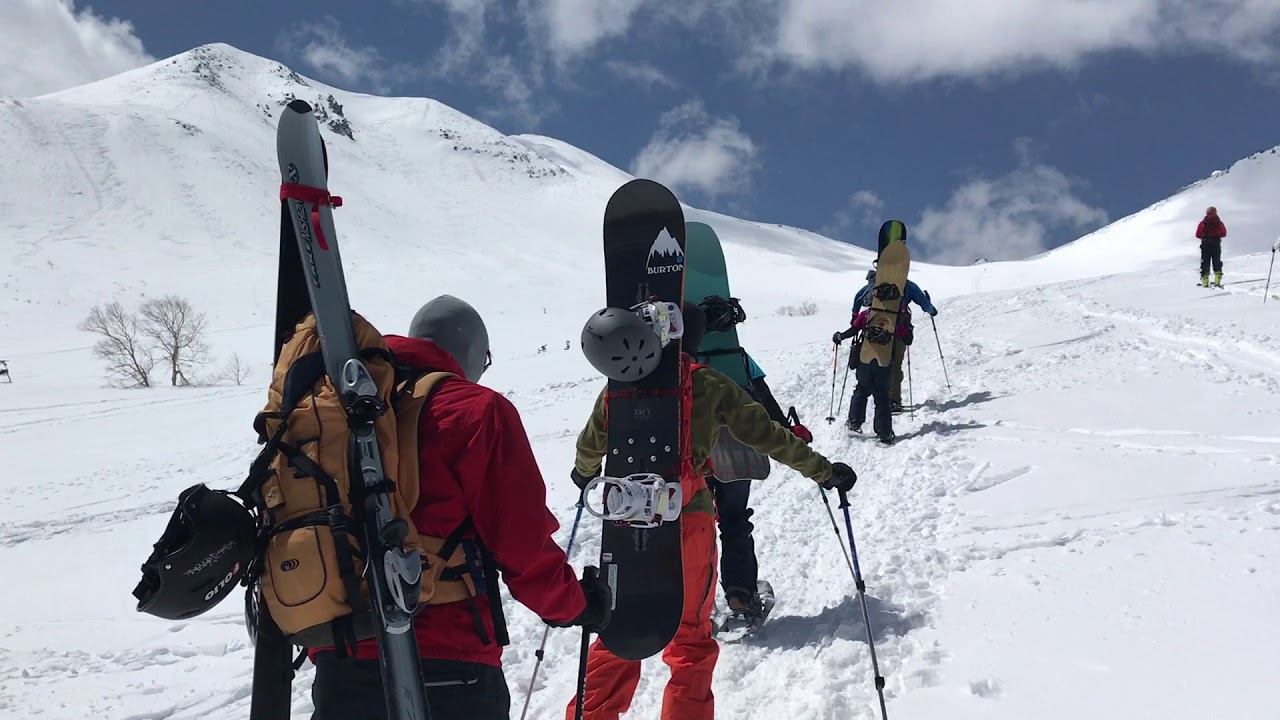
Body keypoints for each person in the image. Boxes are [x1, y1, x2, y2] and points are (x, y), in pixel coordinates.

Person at [309, 295, 613, 720]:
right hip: (449, 666)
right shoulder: (476, 410)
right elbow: (523, 548)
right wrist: (576, 604)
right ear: (472, 354)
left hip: (341, 662)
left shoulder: (337, 410)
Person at [569, 301, 858, 720]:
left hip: (626, 523)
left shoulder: (621, 384)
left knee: (619, 632)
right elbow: (770, 437)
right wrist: (824, 472)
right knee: (690, 640)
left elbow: (589, 446)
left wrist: (583, 474)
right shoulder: (707, 383)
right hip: (689, 520)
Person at [706, 350, 813, 627]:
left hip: (693, 453)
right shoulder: (735, 356)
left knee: (696, 524)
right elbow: (762, 400)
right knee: (734, 521)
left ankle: (695, 604)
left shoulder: (673, 355)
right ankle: (740, 596)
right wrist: (789, 433)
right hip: (737, 452)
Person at [853, 268, 937, 412]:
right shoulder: (907, 285)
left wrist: (855, 317)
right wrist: (931, 309)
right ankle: (893, 400)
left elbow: (858, 299)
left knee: (876, 362)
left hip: (873, 329)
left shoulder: (873, 286)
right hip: (898, 328)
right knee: (895, 364)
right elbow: (923, 302)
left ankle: (869, 403)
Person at [833, 305, 905, 445]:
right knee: (882, 395)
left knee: (861, 390)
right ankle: (884, 433)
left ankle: (854, 423)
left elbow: (854, 329)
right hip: (884, 361)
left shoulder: (866, 314)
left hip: (865, 359)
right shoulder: (893, 317)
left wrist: (840, 336)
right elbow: (906, 338)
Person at [1195, 206, 1227, 287]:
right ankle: (1217, 280)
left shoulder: (1203, 223)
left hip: (1205, 244)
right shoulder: (1219, 223)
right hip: (1216, 244)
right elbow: (1224, 233)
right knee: (1216, 261)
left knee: (1205, 262)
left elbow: (1198, 234)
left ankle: (1205, 282)